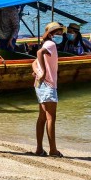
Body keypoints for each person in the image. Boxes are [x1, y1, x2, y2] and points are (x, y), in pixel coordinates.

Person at [33, 21, 64, 157]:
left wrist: (38, 72)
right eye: (58, 32)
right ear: (52, 33)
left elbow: (33, 62)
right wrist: (44, 72)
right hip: (48, 84)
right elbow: (39, 53)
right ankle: (53, 150)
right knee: (51, 118)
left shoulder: (46, 43)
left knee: (42, 117)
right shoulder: (51, 44)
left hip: (40, 85)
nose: (61, 34)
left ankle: (39, 148)